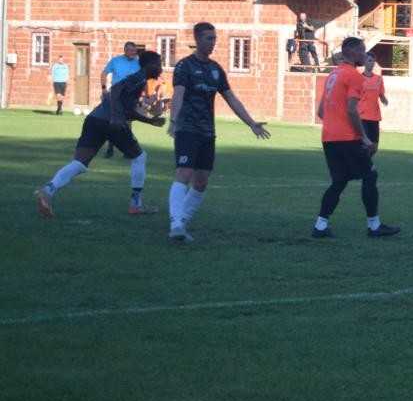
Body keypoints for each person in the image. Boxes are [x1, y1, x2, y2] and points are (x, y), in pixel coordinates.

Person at [166, 22, 271, 243]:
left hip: (207, 131)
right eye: (209, 38)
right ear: (197, 40)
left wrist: (251, 123)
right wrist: (173, 121)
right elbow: (179, 94)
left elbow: (230, 97)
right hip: (187, 129)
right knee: (184, 173)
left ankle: (182, 223)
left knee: (202, 180)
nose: (212, 43)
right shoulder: (184, 66)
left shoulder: (216, 69)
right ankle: (175, 223)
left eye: (214, 38)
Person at [35, 51, 166, 219]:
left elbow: (127, 110)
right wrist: (114, 116)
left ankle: (48, 191)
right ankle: (136, 204)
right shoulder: (139, 78)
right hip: (112, 124)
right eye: (158, 64)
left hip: (94, 119)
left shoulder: (139, 81)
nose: (161, 68)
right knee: (140, 157)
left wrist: (149, 120)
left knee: (79, 163)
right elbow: (115, 90)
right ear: (149, 66)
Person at [311, 37, 399, 239]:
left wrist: (335, 125)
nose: (365, 54)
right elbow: (352, 110)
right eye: (363, 51)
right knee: (370, 175)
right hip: (347, 138)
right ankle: (374, 226)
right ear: (354, 53)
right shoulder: (354, 76)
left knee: (339, 180)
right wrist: (363, 137)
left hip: (329, 137)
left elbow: (321, 111)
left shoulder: (333, 75)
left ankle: (320, 226)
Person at [101, 42, 142, 157]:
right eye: (130, 50)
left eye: (134, 51)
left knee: (128, 123)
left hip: (130, 96)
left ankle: (127, 150)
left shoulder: (138, 63)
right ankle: (110, 148)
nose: (133, 53)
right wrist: (104, 88)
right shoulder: (116, 61)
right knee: (113, 122)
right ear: (125, 50)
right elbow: (104, 73)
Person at [358, 52, 389, 155]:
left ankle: (363, 162)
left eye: (373, 61)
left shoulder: (379, 79)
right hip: (362, 116)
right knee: (365, 145)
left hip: (375, 117)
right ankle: (363, 163)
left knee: (374, 147)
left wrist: (384, 100)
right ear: (364, 62)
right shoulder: (358, 78)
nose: (371, 63)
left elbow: (381, 95)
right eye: (369, 61)